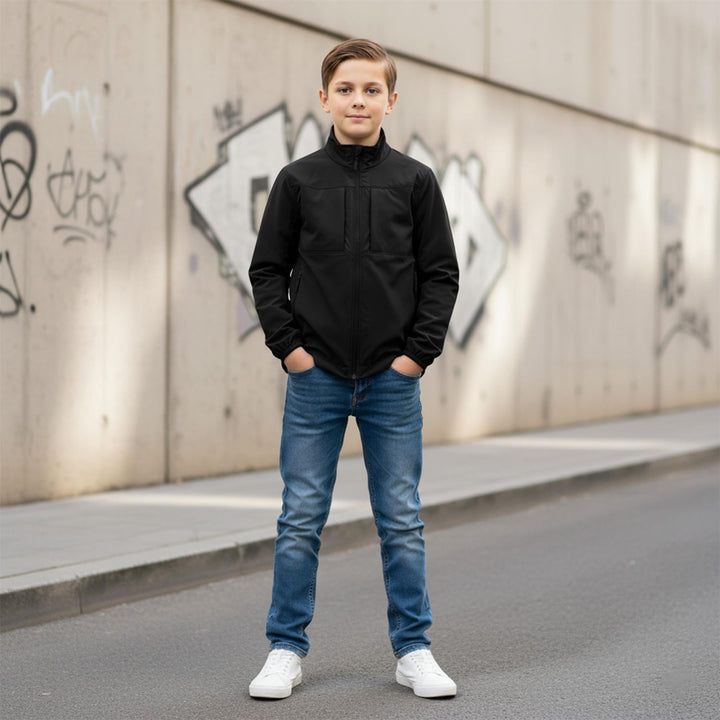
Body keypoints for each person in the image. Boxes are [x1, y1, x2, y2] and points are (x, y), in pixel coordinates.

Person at [247, 38, 459, 700]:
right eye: (346, 89)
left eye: (371, 90)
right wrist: (291, 351)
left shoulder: (416, 182)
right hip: (317, 379)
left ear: (391, 101)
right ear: (325, 98)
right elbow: (267, 270)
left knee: (400, 518)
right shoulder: (298, 181)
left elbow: (441, 275)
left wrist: (416, 357)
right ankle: (284, 650)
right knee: (300, 517)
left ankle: (414, 650)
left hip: (393, 381)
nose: (358, 100)